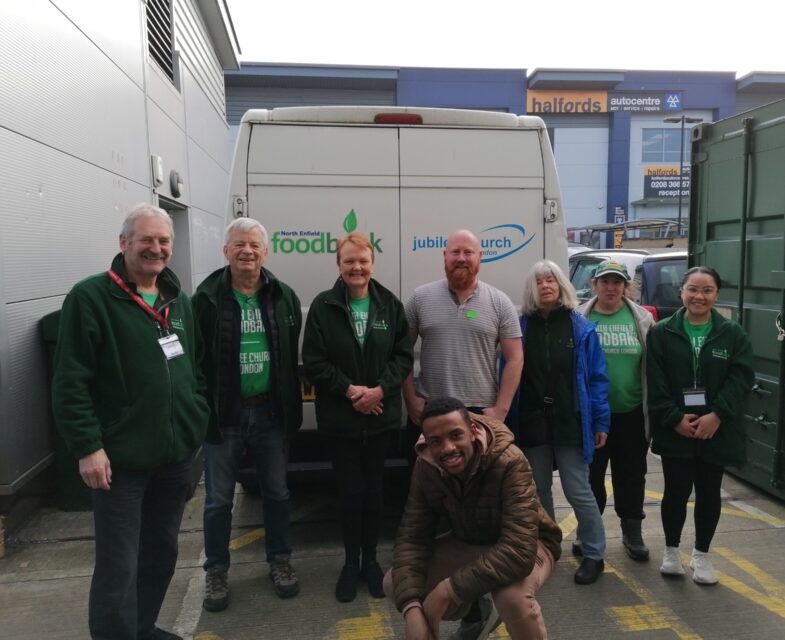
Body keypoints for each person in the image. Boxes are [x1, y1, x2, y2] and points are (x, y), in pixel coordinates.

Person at [51, 203, 210, 640]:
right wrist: (87, 446)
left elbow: (194, 367)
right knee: (118, 567)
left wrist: (196, 417)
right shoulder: (91, 298)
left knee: (160, 555)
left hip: (174, 458)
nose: (156, 248)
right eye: (146, 240)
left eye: (164, 241)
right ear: (124, 243)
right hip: (119, 464)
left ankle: (139, 629)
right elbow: (69, 382)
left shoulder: (180, 301)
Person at [192, 218, 303, 612]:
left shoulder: (283, 296)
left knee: (277, 493)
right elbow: (195, 359)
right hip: (225, 416)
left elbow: (289, 355)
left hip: (270, 414)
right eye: (239, 244)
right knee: (219, 500)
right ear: (226, 251)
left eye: (254, 245)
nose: (247, 251)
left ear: (265, 252)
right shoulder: (205, 298)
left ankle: (280, 561)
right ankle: (217, 570)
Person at [385, 397, 562, 640]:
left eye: (456, 435)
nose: (447, 448)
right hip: (471, 540)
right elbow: (412, 538)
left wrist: (450, 589)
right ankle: (476, 613)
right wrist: (411, 609)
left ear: (473, 431)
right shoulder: (426, 466)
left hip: (530, 544)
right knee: (394, 584)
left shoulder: (510, 460)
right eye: (436, 441)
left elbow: (519, 550)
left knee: (512, 598)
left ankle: (477, 600)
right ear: (426, 440)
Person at [302, 232, 413, 602]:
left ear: (372, 263)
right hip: (342, 420)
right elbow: (315, 362)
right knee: (349, 494)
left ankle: (371, 562)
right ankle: (351, 563)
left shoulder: (388, 305)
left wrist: (380, 390)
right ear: (338, 265)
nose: (357, 267)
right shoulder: (323, 305)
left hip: (380, 419)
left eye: (363, 261)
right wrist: (352, 392)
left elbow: (402, 356)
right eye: (349, 261)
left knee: (374, 492)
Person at [505, 259, 609, 585]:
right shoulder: (520, 327)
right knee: (537, 491)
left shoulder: (581, 327)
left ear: (561, 285)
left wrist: (601, 421)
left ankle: (594, 553)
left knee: (579, 490)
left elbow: (597, 379)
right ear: (531, 290)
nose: (546, 286)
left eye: (551, 280)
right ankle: (546, 551)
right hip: (532, 421)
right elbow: (505, 372)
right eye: (539, 282)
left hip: (571, 422)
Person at [648, 266, 754, 584]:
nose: (699, 296)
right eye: (693, 289)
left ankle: (702, 556)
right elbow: (655, 380)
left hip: (715, 430)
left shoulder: (732, 334)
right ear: (682, 291)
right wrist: (673, 418)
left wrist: (717, 415)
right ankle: (671, 552)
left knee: (708, 494)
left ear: (716, 295)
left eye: (707, 290)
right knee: (676, 493)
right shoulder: (662, 332)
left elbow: (741, 378)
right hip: (676, 428)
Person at [403, 229, 523, 427]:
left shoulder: (500, 302)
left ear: (480, 256)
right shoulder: (420, 298)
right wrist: (410, 399)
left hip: (481, 412)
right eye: (455, 252)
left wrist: (501, 409)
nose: (461, 258)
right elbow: (401, 352)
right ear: (445, 255)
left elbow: (515, 358)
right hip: (430, 409)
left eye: (468, 252)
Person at [577, 260, 654, 561]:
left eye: (617, 282)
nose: (611, 287)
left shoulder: (642, 320)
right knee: (590, 477)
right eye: (605, 281)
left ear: (626, 287)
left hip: (631, 413)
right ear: (594, 285)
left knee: (631, 476)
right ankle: (590, 532)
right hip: (592, 416)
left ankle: (632, 532)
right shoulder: (579, 318)